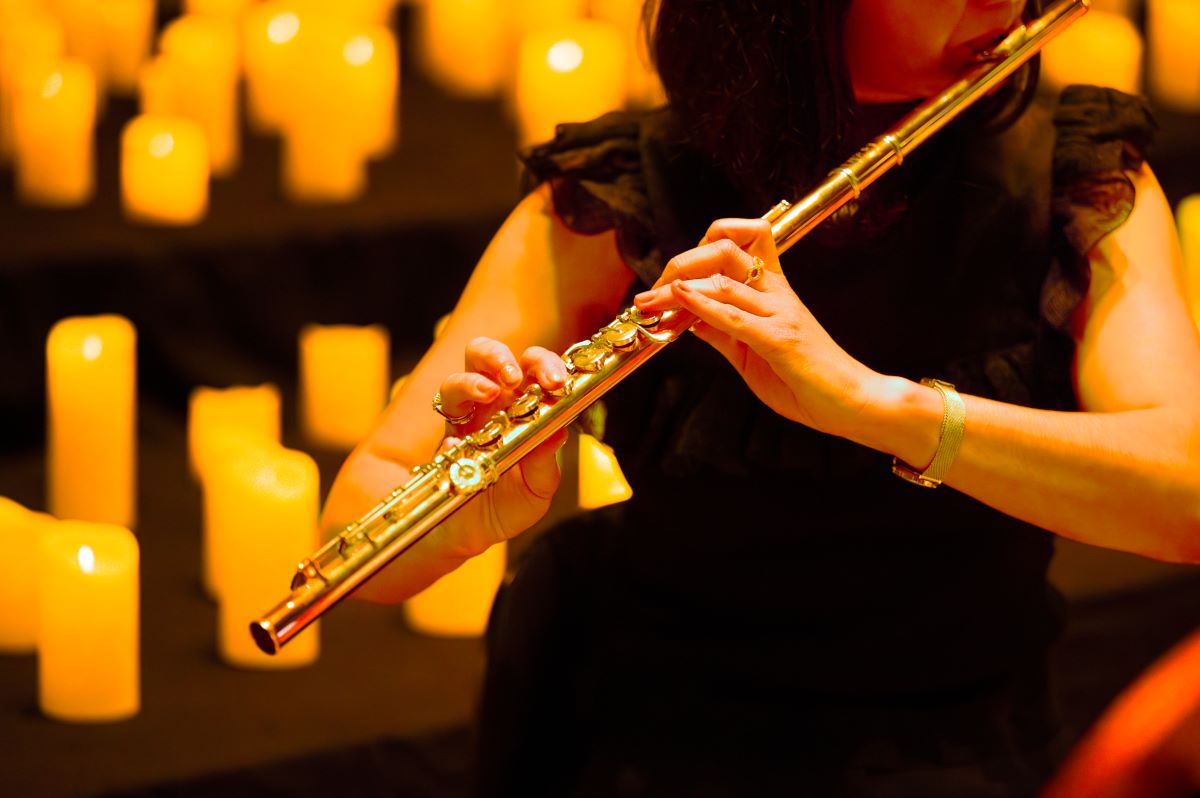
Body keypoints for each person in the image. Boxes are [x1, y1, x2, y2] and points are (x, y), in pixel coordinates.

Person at [323, 0, 1200, 794]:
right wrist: (469, 516)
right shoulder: (622, 193)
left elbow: (1188, 495)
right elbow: (354, 524)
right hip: (658, 751)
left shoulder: (1076, 174)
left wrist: (874, 405)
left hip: (961, 750)